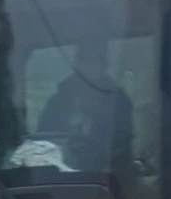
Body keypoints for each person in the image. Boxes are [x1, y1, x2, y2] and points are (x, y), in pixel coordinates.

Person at [37, 40, 135, 186]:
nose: (90, 66)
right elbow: (43, 142)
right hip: (60, 182)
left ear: (104, 65)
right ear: (77, 64)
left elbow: (123, 145)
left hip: (109, 182)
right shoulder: (57, 102)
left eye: (96, 61)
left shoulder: (119, 101)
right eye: (85, 60)